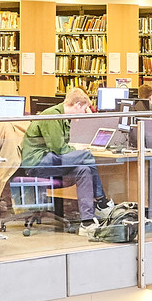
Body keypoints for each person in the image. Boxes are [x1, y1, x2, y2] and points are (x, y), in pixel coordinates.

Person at [19, 88, 104, 229]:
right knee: (87, 155)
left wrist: (73, 149)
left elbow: (60, 148)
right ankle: (102, 201)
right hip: (38, 162)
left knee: (83, 170)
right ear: (77, 105)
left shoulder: (64, 118)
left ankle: (87, 221)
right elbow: (59, 149)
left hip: (51, 160)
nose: (84, 114)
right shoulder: (53, 115)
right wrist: (76, 150)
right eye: (84, 109)